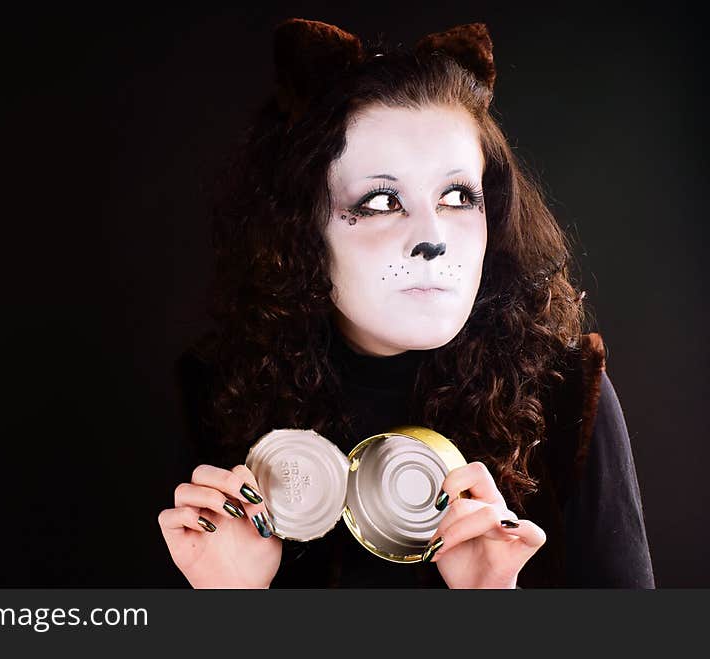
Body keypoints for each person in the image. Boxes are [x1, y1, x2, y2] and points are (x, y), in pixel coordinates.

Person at [158, 18, 655, 588]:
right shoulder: (218, 397)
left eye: (458, 197)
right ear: (299, 229)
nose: (433, 238)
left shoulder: (566, 395)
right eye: (379, 201)